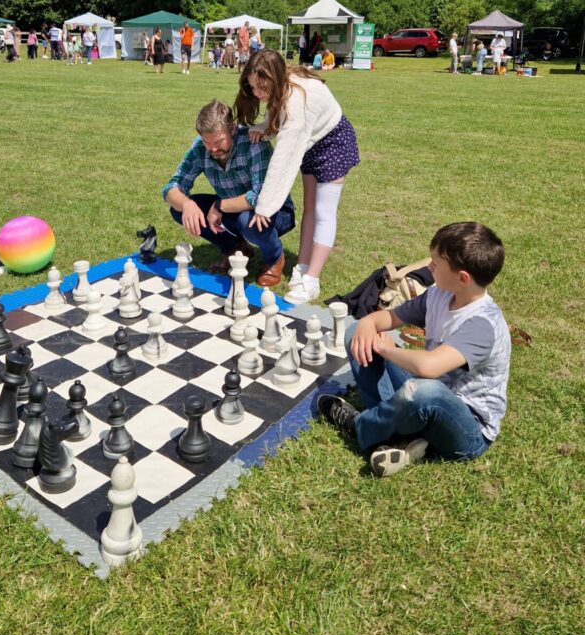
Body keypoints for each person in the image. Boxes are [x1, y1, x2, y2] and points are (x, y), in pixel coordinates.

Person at [317, 222, 509, 478]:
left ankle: (361, 426)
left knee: (424, 389)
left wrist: (387, 349)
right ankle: (393, 435)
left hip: (467, 427)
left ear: (462, 278)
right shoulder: (438, 295)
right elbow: (388, 318)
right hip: (424, 391)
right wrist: (367, 323)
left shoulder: (483, 324)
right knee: (357, 334)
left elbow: (428, 367)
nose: (428, 268)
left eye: (435, 263)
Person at [235, 49, 360, 304]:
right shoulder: (282, 85)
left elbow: (283, 161)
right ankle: (302, 266)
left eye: (261, 88)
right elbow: (276, 113)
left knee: (325, 211)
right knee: (309, 208)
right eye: (253, 88)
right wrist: (263, 129)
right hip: (312, 142)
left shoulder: (298, 104)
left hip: (334, 143)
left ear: (276, 78)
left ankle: (312, 279)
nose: (258, 94)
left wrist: (265, 206)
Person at [162, 100, 295, 285]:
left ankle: (274, 258)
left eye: (218, 141)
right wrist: (186, 204)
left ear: (232, 129)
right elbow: (171, 187)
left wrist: (219, 205)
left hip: (275, 211)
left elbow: (261, 196)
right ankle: (235, 248)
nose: (213, 149)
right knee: (179, 209)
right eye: (208, 143)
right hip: (231, 208)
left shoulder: (253, 141)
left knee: (247, 221)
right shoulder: (201, 147)